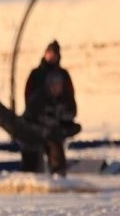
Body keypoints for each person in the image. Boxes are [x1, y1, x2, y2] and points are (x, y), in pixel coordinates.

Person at [23, 41, 80, 176]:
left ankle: (58, 175)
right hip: (36, 122)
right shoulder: (36, 75)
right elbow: (28, 98)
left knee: (55, 145)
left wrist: (62, 117)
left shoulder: (63, 75)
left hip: (56, 125)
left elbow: (70, 101)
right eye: (50, 52)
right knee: (32, 151)